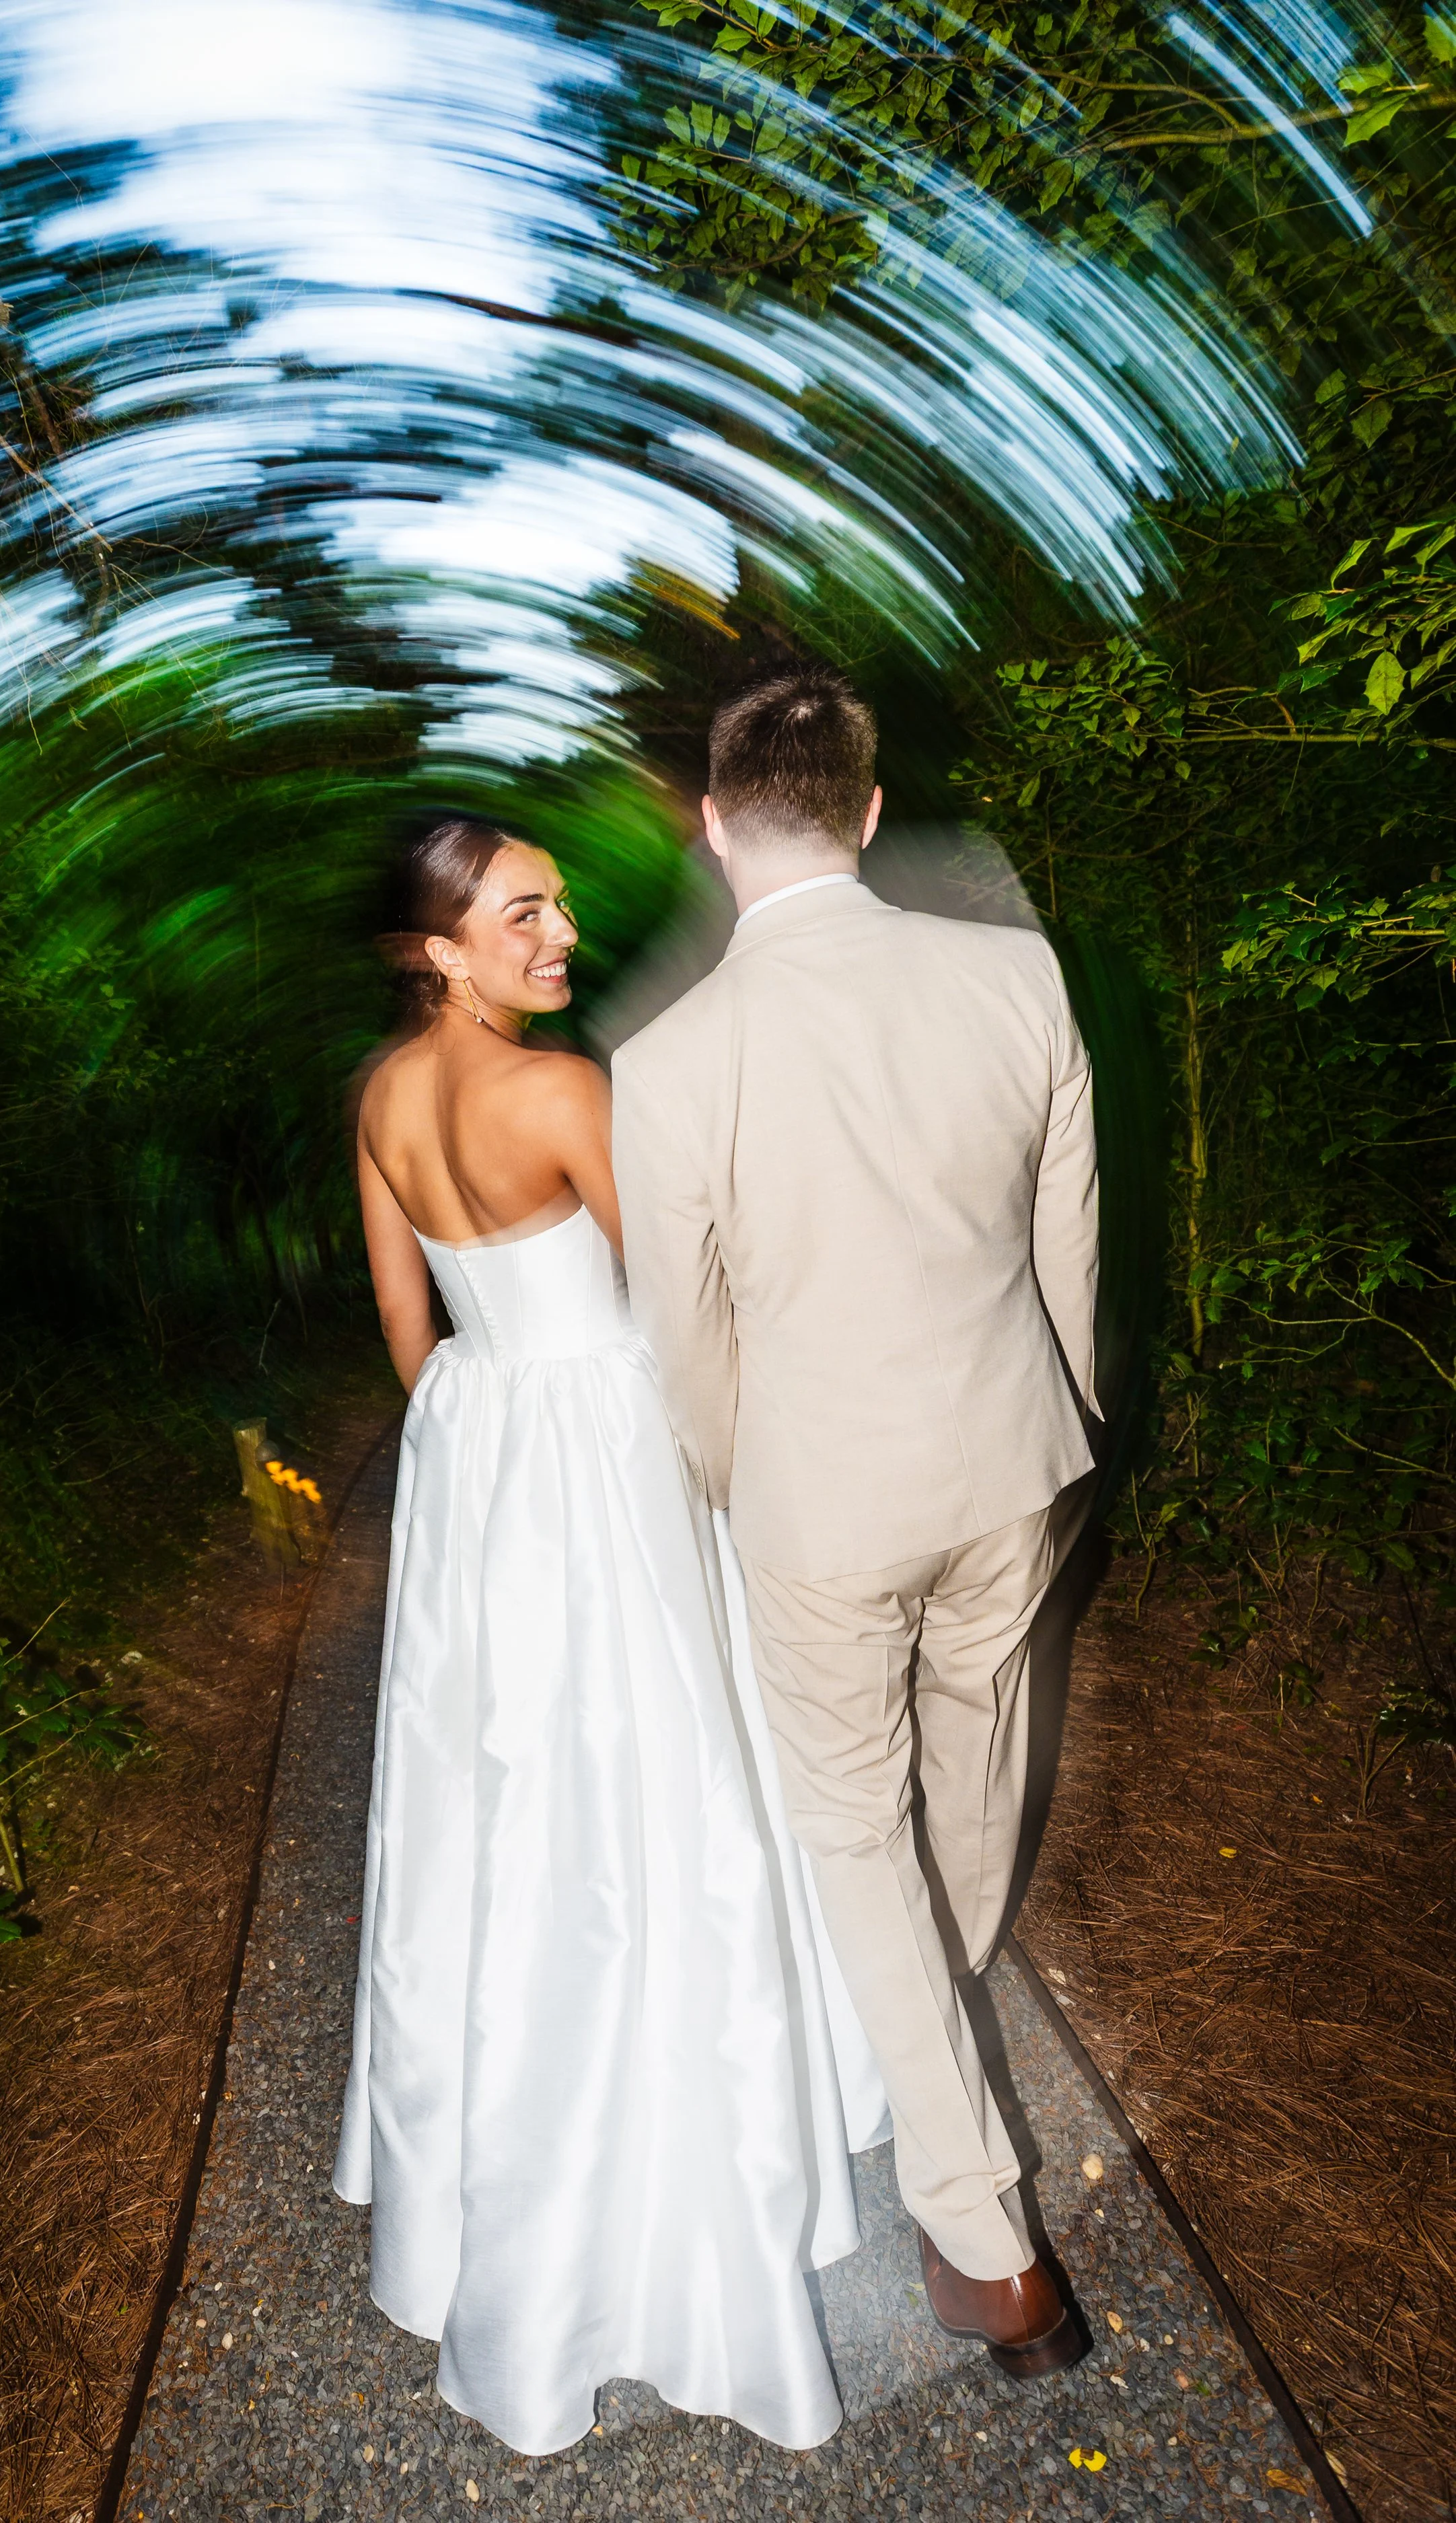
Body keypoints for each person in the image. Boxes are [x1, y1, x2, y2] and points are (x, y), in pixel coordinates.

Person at [332, 817, 889, 2458]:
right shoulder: (561, 1092)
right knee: (665, 1766)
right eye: (522, 913)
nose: (557, 931)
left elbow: (401, 1322)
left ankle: (498, 2153)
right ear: (441, 947)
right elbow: (691, 1299)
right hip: (614, 1449)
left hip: (484, 1449)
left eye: (557, 904)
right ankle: (693, 2148)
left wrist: (481, 1442)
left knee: (499, 1799)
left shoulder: (378, 1099)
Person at [612, 665, 1097, 2378]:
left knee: (849, 1825)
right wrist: (1072, 1412)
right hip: (1010, 1460)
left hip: (821, 1496)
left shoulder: (669, 1062)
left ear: (711, 825)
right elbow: (1066, 1236)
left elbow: (684, 1331)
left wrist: (741, 1478)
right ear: (869, 813)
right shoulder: (1014, 974)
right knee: (970, 1761)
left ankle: (983, 2237)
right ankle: (934, 2020)